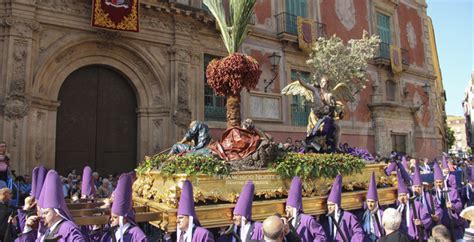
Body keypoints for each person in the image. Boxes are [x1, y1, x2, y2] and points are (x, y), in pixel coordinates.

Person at [23, 170, 87, 241]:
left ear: (57, 212)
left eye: (46, 213)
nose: (43, 216)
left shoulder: (68, 229)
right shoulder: (48, 230)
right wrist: (27, 229)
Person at [100, 173, 147, 242]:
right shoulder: (110, 232)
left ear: (124, 218)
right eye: (111, 217)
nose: (111, 220)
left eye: (115, 217)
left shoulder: (137, 234)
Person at [320, 175, 364, 242]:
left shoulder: (349, 217)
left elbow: (358, 232)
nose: (329, 207)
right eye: (328, 205)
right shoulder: (324, 218)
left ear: (337, 206)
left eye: (332, 205)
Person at [285, 177, 326, 242]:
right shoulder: (287, 223)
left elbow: (321, 236)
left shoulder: (307, 220)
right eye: (286, 209)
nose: (287, 211)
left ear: (294, 208)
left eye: (289, 208)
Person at [433, 161, 465, 241]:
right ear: (434, 183)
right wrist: (436, 217)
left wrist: (452, 206)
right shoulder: (433, 195)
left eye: (440, 182)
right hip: (442, 227)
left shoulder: (452, 191)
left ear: (443, 182)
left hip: (454, 224)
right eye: (437, 182)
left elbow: (459, 205)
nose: (438, 184)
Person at [395, 170, 432, 241]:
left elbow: (427, 218)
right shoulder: (398, 209)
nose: (402, 197)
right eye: (400, 196)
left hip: (416, 237)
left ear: (408, 195)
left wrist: (421, 223)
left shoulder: (417, 205)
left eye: (404, 195)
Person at [411, 164, 442, 233]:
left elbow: (438, 209)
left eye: (419, 187)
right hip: (417, 229)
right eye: (415, 187)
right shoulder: (412, 199)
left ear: (422, 187)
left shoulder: (430, 197)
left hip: (431, 226)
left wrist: (437, 216)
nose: (417, 189)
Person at [360, 172, 384, 242]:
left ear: (376, 203)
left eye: (372, 202)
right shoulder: (364, 215)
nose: (370, 204)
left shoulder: (382, 214)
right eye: (368, 201)